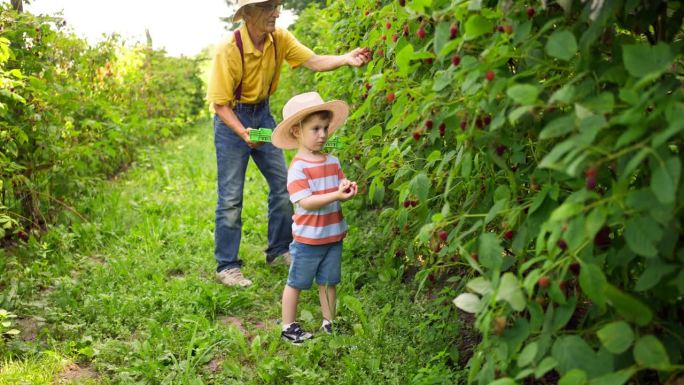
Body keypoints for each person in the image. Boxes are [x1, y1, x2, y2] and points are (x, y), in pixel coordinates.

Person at [206, 0, 370, 287]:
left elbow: (314, 60)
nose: (277, 13)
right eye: (269, 7)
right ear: (247, 13)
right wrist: (244, 134)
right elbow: (220, 104)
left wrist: (346, 58)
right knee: (231, 198)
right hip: (233, 119)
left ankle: (279, 249)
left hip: (263, 117)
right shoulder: (228, 49)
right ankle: (227, 266)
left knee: (285, 187)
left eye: (277, 6)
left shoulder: (279, 38)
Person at [271, 92, 358, 344]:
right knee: (296, 281)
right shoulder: (298, 168)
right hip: (308, 239)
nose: (322, 134)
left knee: (329, 281)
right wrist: (336, 195)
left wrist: (347, 189)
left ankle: (329, 322)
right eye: (315, 129)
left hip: (333, 235)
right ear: (297, 131)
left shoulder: (333, 161)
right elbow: (306, 202)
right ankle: (288, 326)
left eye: (325, 128)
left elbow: (339, 186)